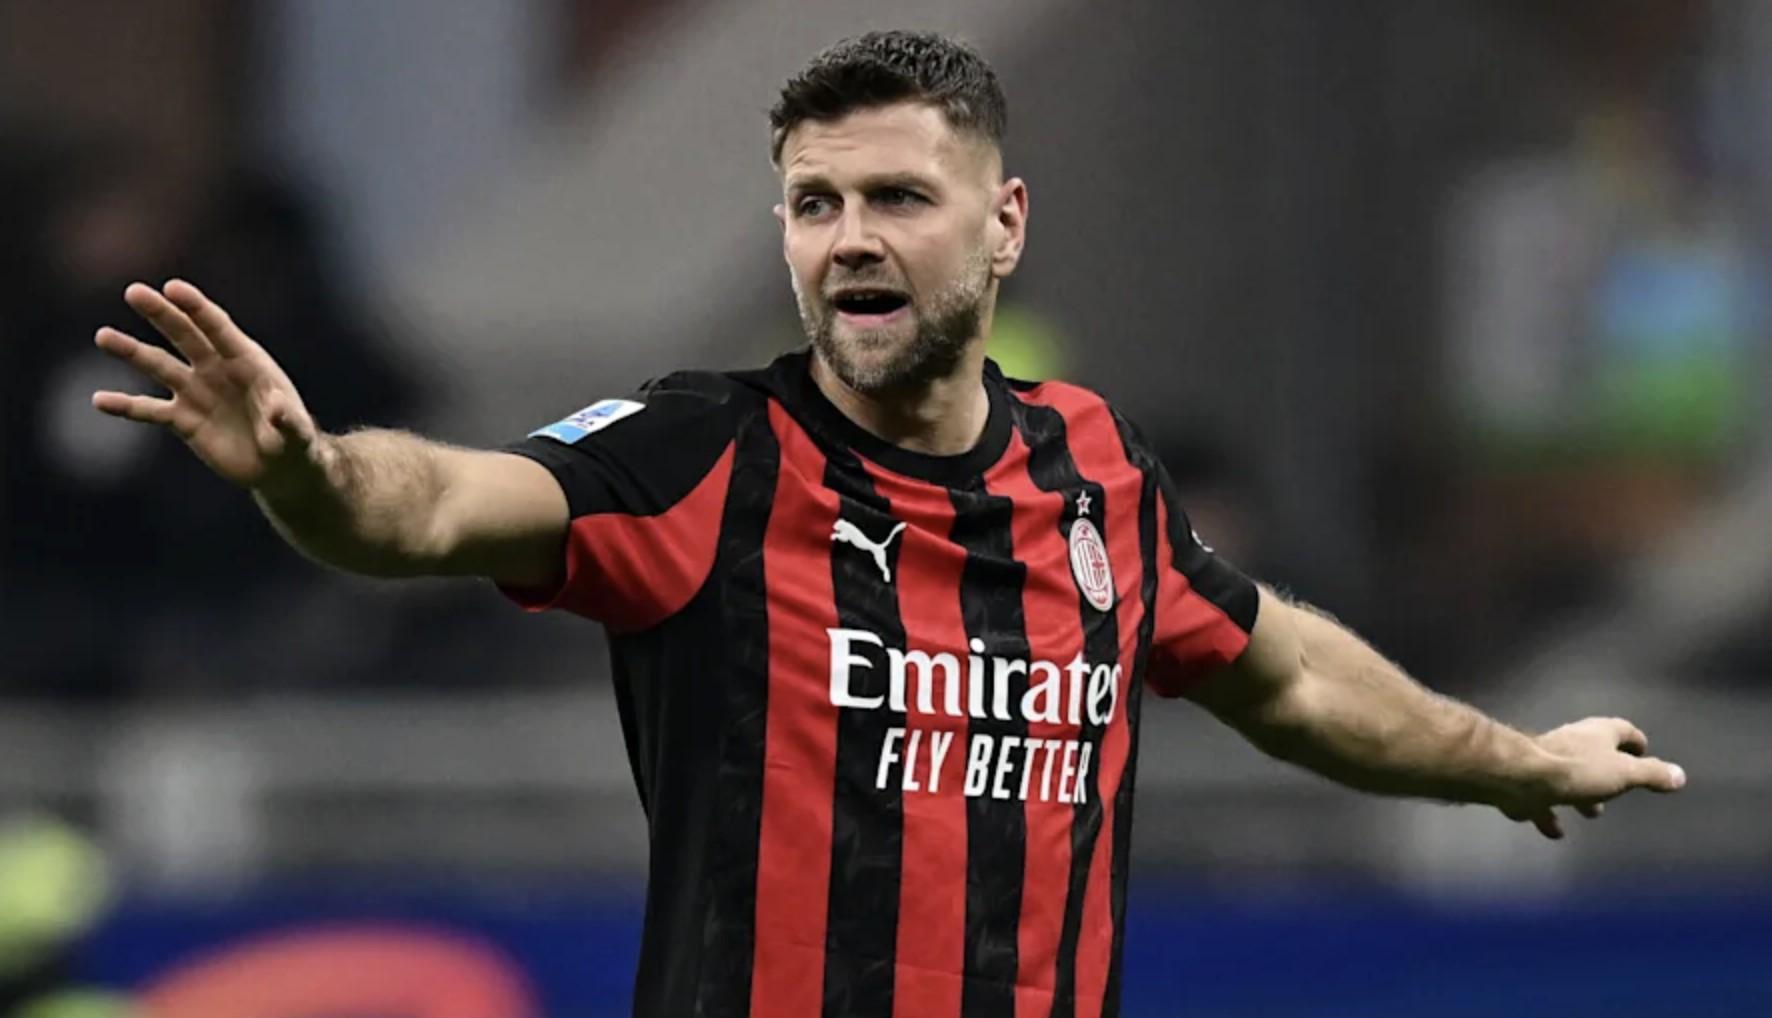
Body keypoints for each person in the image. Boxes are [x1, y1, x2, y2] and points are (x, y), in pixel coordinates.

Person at [88, 29, 1686, 1018]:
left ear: (1004, 227)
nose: (850, 239)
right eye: (815, 203)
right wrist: (306, 467)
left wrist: (1511, 759)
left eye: (899, 199)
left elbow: (1285, 669)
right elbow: (437, 503)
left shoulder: (1096, 471)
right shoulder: (705, 452)